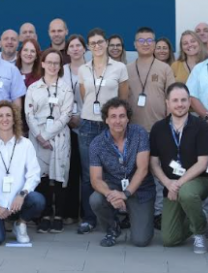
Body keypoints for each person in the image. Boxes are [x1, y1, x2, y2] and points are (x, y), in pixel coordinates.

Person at [150, 82, 208, 254]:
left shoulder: (200, 126)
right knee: (169, 239)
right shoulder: (158, 128)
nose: (180, 104)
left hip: (199, 180)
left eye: (184, 100)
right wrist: (168, 184)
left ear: (190, 102)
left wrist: (177, 184)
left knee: (187, 193)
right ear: (167, 103)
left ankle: (199, 233)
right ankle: (200, 219)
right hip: (170, 184)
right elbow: (153, 163)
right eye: (175, 100)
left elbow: (203, 163)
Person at [76, 28, 129, 234]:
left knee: (112, 171)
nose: (97, 46)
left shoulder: (119, 68)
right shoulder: (83, 69)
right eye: (93, 43)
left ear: (106, 43)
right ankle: (89, 219)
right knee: (88, 174)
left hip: (111, 126)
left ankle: (113, 216)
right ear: (89, 47)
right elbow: (85, 96)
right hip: (88, 124)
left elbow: (123, 99)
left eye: (100, 42)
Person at [89, 98, 155, 247]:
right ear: (106, 120)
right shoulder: (97, 144)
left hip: (140, 188)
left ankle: (134, 218)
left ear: (128, 118)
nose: (118, 121)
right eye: (113, 116)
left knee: (141, 241)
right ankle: (112, 227)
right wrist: (110, 195)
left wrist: (125, 194)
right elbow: (95, 179)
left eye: (122, 116)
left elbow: (143, 169)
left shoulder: (139, 133)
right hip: (114, 186)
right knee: (95, 199)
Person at [127, 27, 175, 230]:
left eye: (149, 40)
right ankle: (128, 212)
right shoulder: (127, 69)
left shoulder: (164, 68)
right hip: (133, 131)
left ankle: (158, 213)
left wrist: (170, 125)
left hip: (158, 129)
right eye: (141, 40)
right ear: (135, 44)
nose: (145, 44)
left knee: (158, 173)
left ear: (154, 44)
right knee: (132, 172)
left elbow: (172, 99)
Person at [0, 101, 44, 245]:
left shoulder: (26, 144)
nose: (5, 119)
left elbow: (34, 174)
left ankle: (20, 223)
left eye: (8, 115)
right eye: (1, 116)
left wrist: (21, 195)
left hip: (18, 201)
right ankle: (0, 221)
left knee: (38, 200)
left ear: (14, 119)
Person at [25, 49, 74, 233]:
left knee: (59, 176)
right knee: (42, 177)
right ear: (43, 63)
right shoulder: (33, 88)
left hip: (59, 137)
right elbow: (29, 114)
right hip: (37, 137)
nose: (53, 66)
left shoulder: (66, 88)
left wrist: (47, 135)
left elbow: (66, 115)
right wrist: (40, 136)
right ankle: (45, 215)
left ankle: (59, 215)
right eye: (50, 62)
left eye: (56, 63)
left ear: (60, 66)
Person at [62, 34, 86, 225]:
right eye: (72, 46)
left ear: (84, 49)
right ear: (67, 50)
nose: (75, 49)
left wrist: (82, 117)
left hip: (88, 124)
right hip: (66, 125)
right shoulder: (62, 71)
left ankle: (87, 213)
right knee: (70, 169)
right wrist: (69, 118)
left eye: (79, 46)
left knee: (88, 171)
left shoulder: (92, 69)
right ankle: (69, 212)